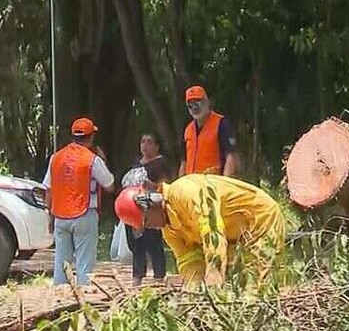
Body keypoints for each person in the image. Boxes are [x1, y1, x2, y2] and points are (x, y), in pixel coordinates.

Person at [114, 174, 285, 286]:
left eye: (146, 221)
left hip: (259, 220)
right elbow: (189, 261)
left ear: (152, 201)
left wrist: (213, 277)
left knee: (257, 285)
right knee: (236, 285)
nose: (150, 228)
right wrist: (193, 293)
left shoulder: (185, 191)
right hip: (234, 237)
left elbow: (212, 230)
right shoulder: (170, 231)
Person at [42, 117, 115, 286]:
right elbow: (110, 185)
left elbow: (48, 189)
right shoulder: (92, 160)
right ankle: (84, 302)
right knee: (85, 264)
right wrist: (103, 162)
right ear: (90, 137)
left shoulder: (56, 158)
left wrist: (50, 216)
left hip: (60, 215)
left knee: (61, 263)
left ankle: (60, 300)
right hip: (85, 214)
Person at [120, 133, 172, 286]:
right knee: (137, 245)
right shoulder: (136, 164)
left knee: (154, 244)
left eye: (149, 142)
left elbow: (166, 186)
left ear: (157, 146)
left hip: (151, 209)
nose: (145, 145)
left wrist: (153, 185)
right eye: (142, 141)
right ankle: (137, 277)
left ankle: (159, 278)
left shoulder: (161, 164)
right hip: (133, 208)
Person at [180, 85, 239, 177]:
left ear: (207, 102)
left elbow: (231, 156)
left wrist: (224, 183)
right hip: (191, 185)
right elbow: (184, 161)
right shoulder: (188, 129)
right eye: (190, 106)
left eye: (197, 104)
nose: (194, 108)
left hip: (213, 184)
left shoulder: (221, 124)